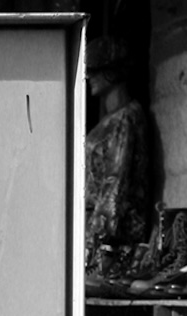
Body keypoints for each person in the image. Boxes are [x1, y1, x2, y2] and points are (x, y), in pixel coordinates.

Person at [84, 36, 149, 282]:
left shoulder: (126, 118)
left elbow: (116, 186)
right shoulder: (109, 121)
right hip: (95, 237)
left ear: (111, 71)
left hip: (111, 249)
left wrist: (94, 242)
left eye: (94, 70)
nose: (89, 76)